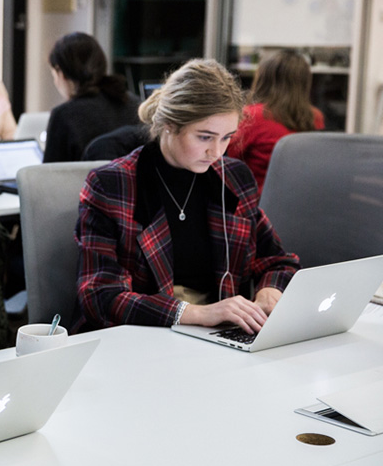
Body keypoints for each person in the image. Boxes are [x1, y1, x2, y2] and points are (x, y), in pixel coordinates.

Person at [74, 58, 300, 335]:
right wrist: (196, 314)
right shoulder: (112, 185)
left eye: (227, 137)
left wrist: (269, 290)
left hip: (216, 338)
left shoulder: (233, 178)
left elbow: (279, 260)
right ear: (169, 124)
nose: (217, 152)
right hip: (140, 340)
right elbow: (100, 297)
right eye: (205, 137)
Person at [226, 50, 325, 192]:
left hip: (256, 206)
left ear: (262, 78)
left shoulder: (251, 116)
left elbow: (222, 160)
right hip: (299, 202)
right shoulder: (315, 117)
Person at [43, 32, 141, 163]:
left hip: (85, 183)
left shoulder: (64, 115)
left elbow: (49, 175)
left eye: (54, 74)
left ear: (62, 73)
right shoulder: (134, 103)